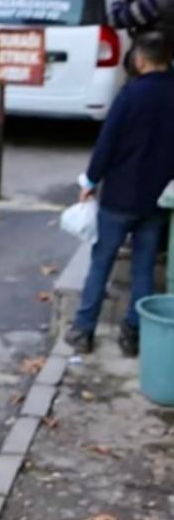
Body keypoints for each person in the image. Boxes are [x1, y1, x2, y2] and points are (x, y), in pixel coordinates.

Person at [70, 34, 174, 358]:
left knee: (101, 261)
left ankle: (84, 330)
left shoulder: (130, 95)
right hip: (156, 199)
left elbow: (107, 143)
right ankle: (134, 333)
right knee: (143, 268)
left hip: (119, 196)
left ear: (140, 59)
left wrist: (90, 180)